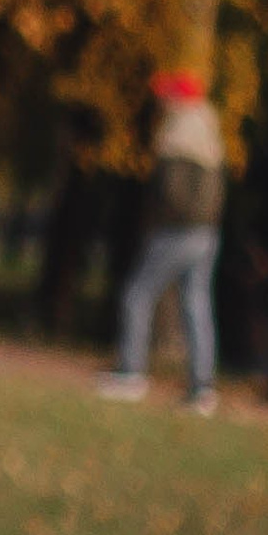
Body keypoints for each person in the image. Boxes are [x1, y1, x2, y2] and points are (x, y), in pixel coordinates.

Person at [95, 69, 226, 415]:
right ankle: (202, 388)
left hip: (177, 232)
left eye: (168, 96)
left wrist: (157, 219)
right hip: (207, 234)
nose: (162, 102)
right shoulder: (210, 135)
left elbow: (169, 193)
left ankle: (130, 373)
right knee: (196, 305)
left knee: (137, 294)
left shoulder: (178, 134)